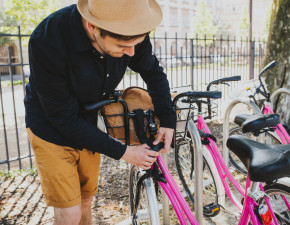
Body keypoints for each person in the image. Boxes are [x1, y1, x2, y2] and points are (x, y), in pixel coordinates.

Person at [24, 0, 176, 224]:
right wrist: (124, 151)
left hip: (90, 123)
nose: (131, 53)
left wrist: (167, 119)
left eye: (137, 44)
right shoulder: (47, 39)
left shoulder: (130, 29)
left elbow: (153, 72)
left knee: (86, 201)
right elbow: (62, 117)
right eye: (123, 47)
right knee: (70, 212)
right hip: (50, 126)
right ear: (92, 26)